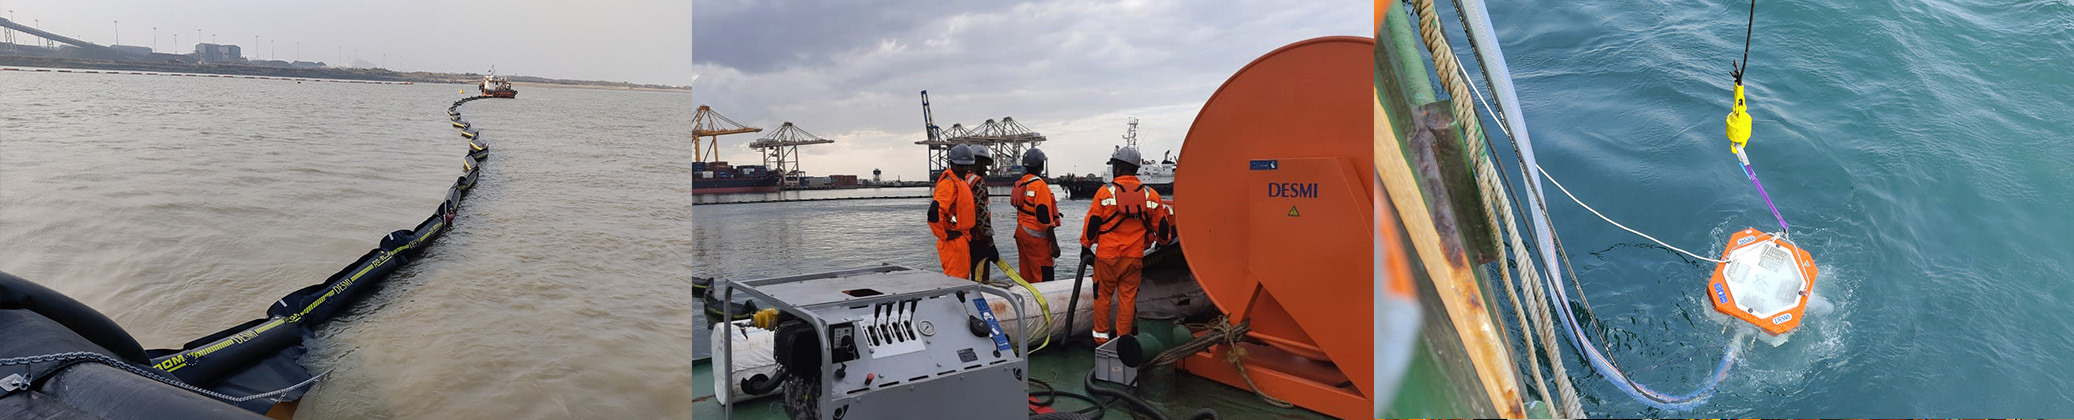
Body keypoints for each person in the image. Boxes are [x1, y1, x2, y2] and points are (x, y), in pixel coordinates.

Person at [1080, 147, 1171, 344]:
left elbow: (1092, 223)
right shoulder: (1151, 195)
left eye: (1114, 165)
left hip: (1107, 257)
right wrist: (1162, 244)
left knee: (1102, 297)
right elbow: (1162, 228)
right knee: (1128, 298)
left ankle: (1101, 339)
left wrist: (1085, 247)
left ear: (1119, 167)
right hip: (1134, 257)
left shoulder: (1104, 193)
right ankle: (1124, 338)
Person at [1010, 149, 1062, 283]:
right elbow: (1043, 216)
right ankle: (1045, 301)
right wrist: (1054, 244)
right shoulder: (1040, 186)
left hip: (1021, 232)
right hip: (1036, 237)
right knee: (1044, 275)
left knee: (1027, 274)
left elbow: (1029, 208)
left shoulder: (1021, 183)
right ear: (1041, 165)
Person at [929, 144, 978, 279]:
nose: (964, 169)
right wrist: (943, 235)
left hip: (961, 237)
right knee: (957, 281)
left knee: (961, 279)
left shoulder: (960, 181)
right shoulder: (948, 184)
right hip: (953, 241)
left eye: (967, 166)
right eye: (961, 165)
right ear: (952, 163)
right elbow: (933, 213)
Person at [963, 145, 1001, 282]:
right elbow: (981, 214)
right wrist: (990, 243)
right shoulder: (977, 181)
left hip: (964, 237)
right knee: (982, 278)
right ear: (976, 162)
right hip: (978, 239)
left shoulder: (960, 179)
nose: (986, 169)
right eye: (984, 164)